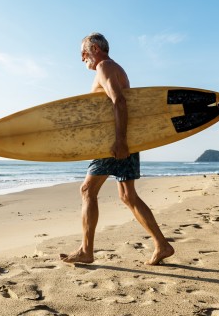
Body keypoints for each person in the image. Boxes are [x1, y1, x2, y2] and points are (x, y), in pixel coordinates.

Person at [59, 33, 174, 265]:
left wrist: (119, 140)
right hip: (126, 140)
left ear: (94, 48)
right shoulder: (114, 68)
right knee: (128, 196)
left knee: (87, 191)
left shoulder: (104, 66)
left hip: (113, 142)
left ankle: (86, 251)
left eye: (84, 52)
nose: (82, 58)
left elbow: (119, 101)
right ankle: (162, 245)